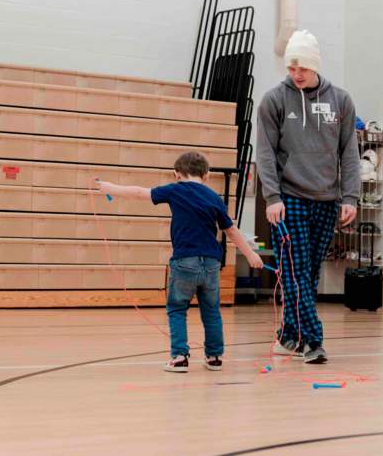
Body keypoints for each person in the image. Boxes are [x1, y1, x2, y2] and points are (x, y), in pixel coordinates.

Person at [96, 151, 263, 373]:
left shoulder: (176, 190)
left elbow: (138, 193)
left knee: (176, 308)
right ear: (206, 175)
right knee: (211, 311)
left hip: (185, 261)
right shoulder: (214, 198)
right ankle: (214, 357)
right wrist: (251, 255)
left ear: (176, 174)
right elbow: (231, 230)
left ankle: (179, 357)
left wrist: (110, 188)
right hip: (212, 263)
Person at [256, 29, 360, 364]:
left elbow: (350, 152)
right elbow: (266, 153)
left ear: (315, 65)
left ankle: (288, 335)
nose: (296, 74)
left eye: (302, 68)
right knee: (294, 270)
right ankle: (313, 340)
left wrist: (351, 197)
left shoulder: (341, 100)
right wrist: (272, 197)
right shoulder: (274, 100)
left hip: (327, 200)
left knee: (309, 272)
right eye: (291, 68)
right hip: (289, 199)